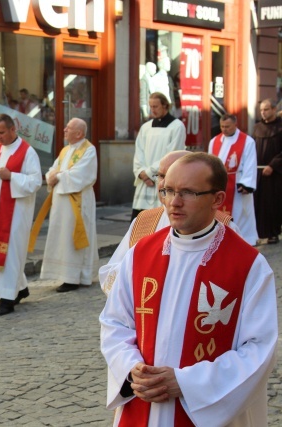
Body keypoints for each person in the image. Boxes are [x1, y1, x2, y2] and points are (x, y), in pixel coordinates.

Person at [100, 152, 277, 426]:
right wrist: (131, 368)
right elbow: (115, 322)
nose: (174, 202)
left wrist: (186, 383)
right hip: (142, 406)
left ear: (217, 200)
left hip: (202, 409)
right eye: (169, 190)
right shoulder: (140, 254)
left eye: (188, 193)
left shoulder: (247, 265)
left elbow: (259, 348)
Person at [99, 150, 236, 296]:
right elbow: (110, 275)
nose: (163, 184)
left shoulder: (224, 226)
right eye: (161, 176)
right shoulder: (143, 221)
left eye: (172, 175)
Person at [0, 114, 42, 317]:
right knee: (9, 253)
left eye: (2, 132)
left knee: (11, 253)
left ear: (13, 130)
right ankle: (20, 289)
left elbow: (35, 181)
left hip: (17, 213)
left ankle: (6, 301)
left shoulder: (27, 152)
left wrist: (11, 177)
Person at [37, 118, 98, 292]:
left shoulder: (89, 150)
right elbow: (54, 169)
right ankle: (63, 274)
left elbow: (83, 174)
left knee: (73, 235)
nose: (64, 130)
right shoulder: (65, 150)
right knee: (61, 235)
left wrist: (59, 177)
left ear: (79, 133)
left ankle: (74, 277)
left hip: (78, 202)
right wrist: (51, 175)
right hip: (61, 202)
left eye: (68, 128)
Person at [131, 92, 186, 220]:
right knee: (140, 223)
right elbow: (138, 153)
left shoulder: (177, 126)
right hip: (144, 183)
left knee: (159, 221)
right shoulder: (145, 127)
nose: (152, 110)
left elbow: (172, 154)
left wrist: (149, 173)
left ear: (165, 106)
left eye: (155, 106)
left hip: (161, 180)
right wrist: (141, 174)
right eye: (151, 106)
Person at [208, 114, 258, 245]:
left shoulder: (247, 141)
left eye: (227, 126)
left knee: (242, 214)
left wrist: (247, 183)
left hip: (238, 184)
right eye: (222, 126)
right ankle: (221, 240)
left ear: (235, 125)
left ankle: (244, 242)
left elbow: (250, 163)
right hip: (220, 184)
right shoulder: (214, 141)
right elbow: (210, 163)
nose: (224, 129)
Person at [253, 98, 282, 244]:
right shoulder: (257, 127)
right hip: (257, 171)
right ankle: (257, 232)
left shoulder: (280, 127)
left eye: (266, 109)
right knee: (257, 203)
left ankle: (273, 233)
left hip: (275, 173)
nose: (263, 113)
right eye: (261, 110)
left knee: (272, 203)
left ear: (274, 109)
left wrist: (273, 165)